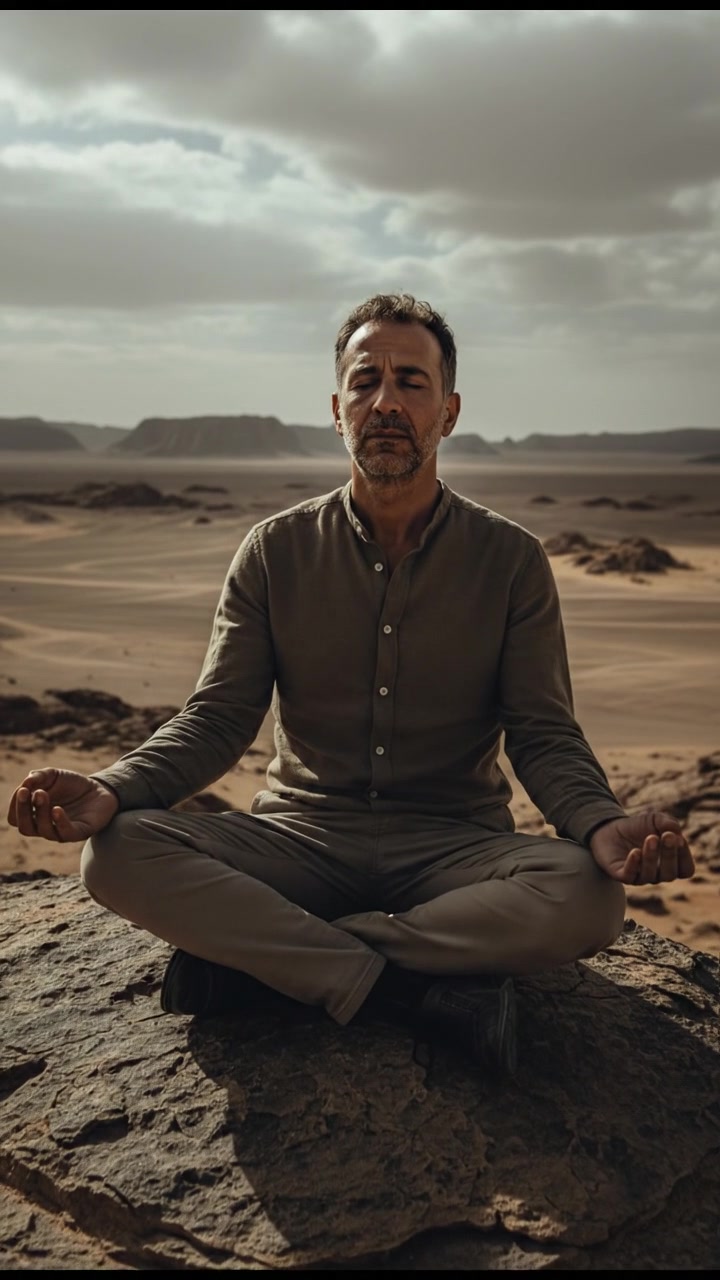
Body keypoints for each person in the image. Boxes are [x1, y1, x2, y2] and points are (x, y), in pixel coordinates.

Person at [7, 294, 694, 1079]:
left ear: (450, 410)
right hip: (299, 841)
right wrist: (111, 789)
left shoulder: (511, 562)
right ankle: (405, 988)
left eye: (411, 381)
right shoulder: (274, 552)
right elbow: (218, 717)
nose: (387, 402)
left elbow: (542, 731)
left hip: (453, 849)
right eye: (366, 382)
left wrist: (598, 823)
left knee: (589, 897)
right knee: (117, 852)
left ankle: (268, 961)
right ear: (338, 411)